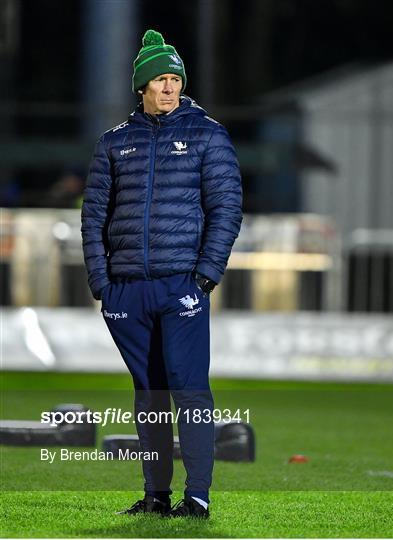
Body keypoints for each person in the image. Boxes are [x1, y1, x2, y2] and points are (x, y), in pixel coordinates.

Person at [81, 29, 242, 519]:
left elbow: (227, 207)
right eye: (160, 80)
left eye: (175, 79)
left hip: (182, 287)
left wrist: (204, 277)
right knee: (148, 393)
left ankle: (197, 497)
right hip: (126, 290)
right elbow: (93, 216)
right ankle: (156, 495)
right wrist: (102, 284)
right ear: (142, 87)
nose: (169, 88)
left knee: (189, 387)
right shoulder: (114, 143)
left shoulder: (208, 135)